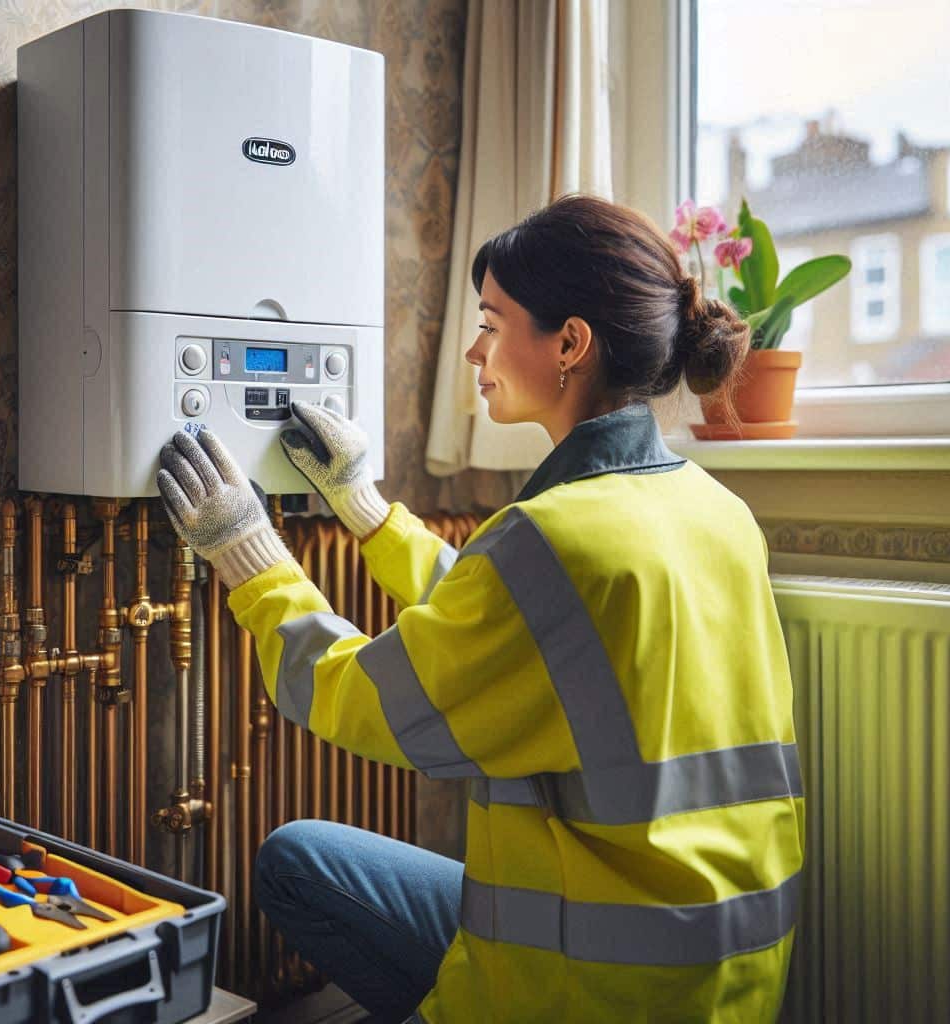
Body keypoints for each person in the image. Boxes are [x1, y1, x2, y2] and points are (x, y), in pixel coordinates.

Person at [155, 195, 804, 1022]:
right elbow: (526, 621)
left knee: (290, 861)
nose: (474, 347)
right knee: (304, 859)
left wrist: (249, 558)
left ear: (570, 343)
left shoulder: (557, 538)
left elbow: (367, 700)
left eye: (493, 323)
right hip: (726, 978)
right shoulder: (714, 511)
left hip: (591, 989)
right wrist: (368, 513)